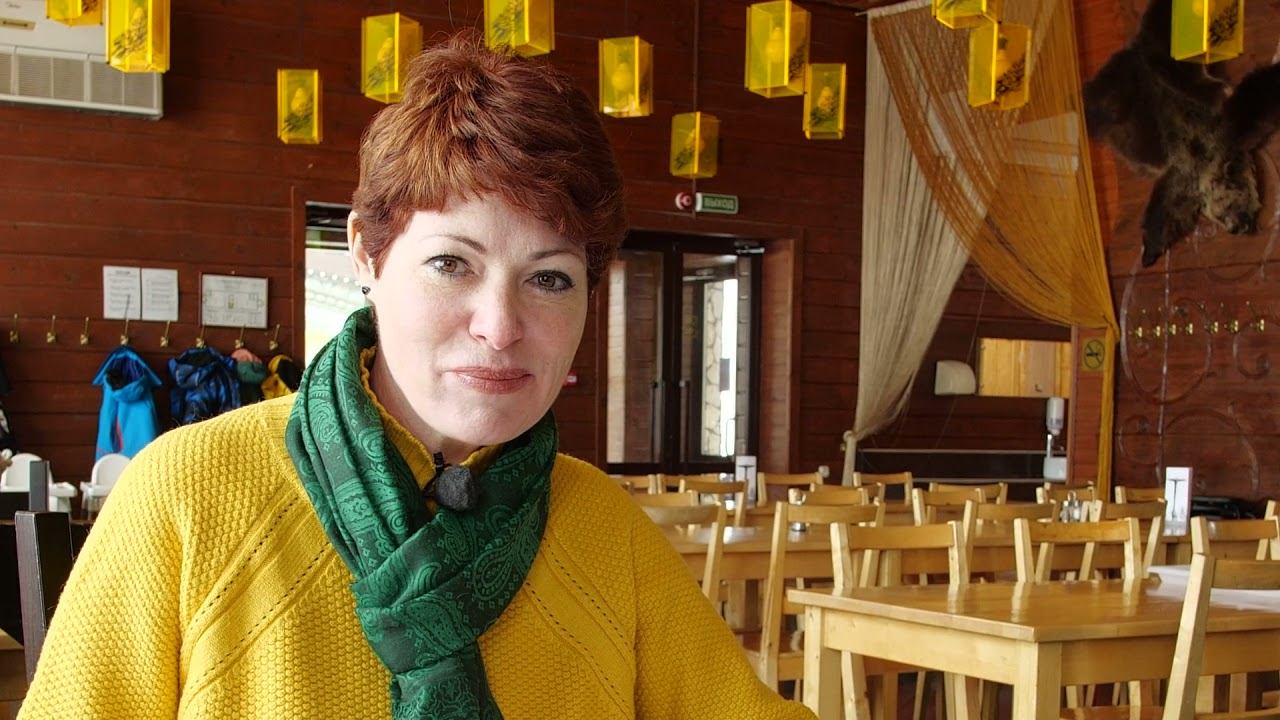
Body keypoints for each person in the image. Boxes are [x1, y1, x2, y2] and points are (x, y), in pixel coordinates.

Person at [20, 33, 816, 720]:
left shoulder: (606, 532)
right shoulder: (188, 494)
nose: (500, 326)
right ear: (366, 254)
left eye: (549, 278)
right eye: (451, 264)